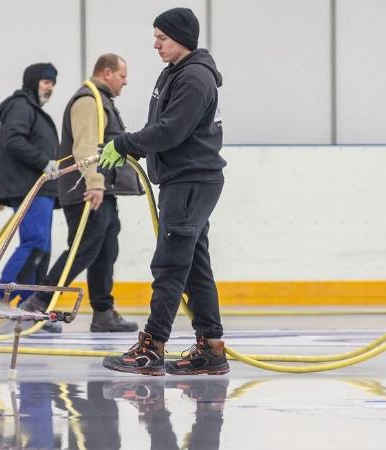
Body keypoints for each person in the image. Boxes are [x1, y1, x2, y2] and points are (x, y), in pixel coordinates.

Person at [99, 7, 228, 376]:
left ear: (182, 39)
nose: (155, 44)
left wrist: (125, 144)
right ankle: (212, 348)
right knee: (194, 267)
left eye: (162, 38)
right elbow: (158, 125)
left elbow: (172, 130)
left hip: (191, 180)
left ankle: (152, 347)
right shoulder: (174, 73)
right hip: (182, 179)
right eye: (155, 37)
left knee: (170, 265)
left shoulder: (195, 79)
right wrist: (131, 143)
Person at [20, 54, 141, 333]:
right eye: (123, 76)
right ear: (107, 73)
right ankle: (39, 302)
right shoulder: (89, 101)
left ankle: (103, 312)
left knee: (105, 250)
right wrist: (95, 182)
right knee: (83, 248)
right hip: (87, 190)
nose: (126, 81)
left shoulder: (102, 101)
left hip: (101, 190)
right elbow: (85, 147)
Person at [0, 63, 61, 333]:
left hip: (40, 188)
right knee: (35, 243)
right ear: (32, 81)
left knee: (42, 248)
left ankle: (27, 306)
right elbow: (13, 140)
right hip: (29, 186)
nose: (50, 87)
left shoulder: (33, 110)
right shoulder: (21, 106)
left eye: (53, 83)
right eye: (45, 82)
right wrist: (43, 161)